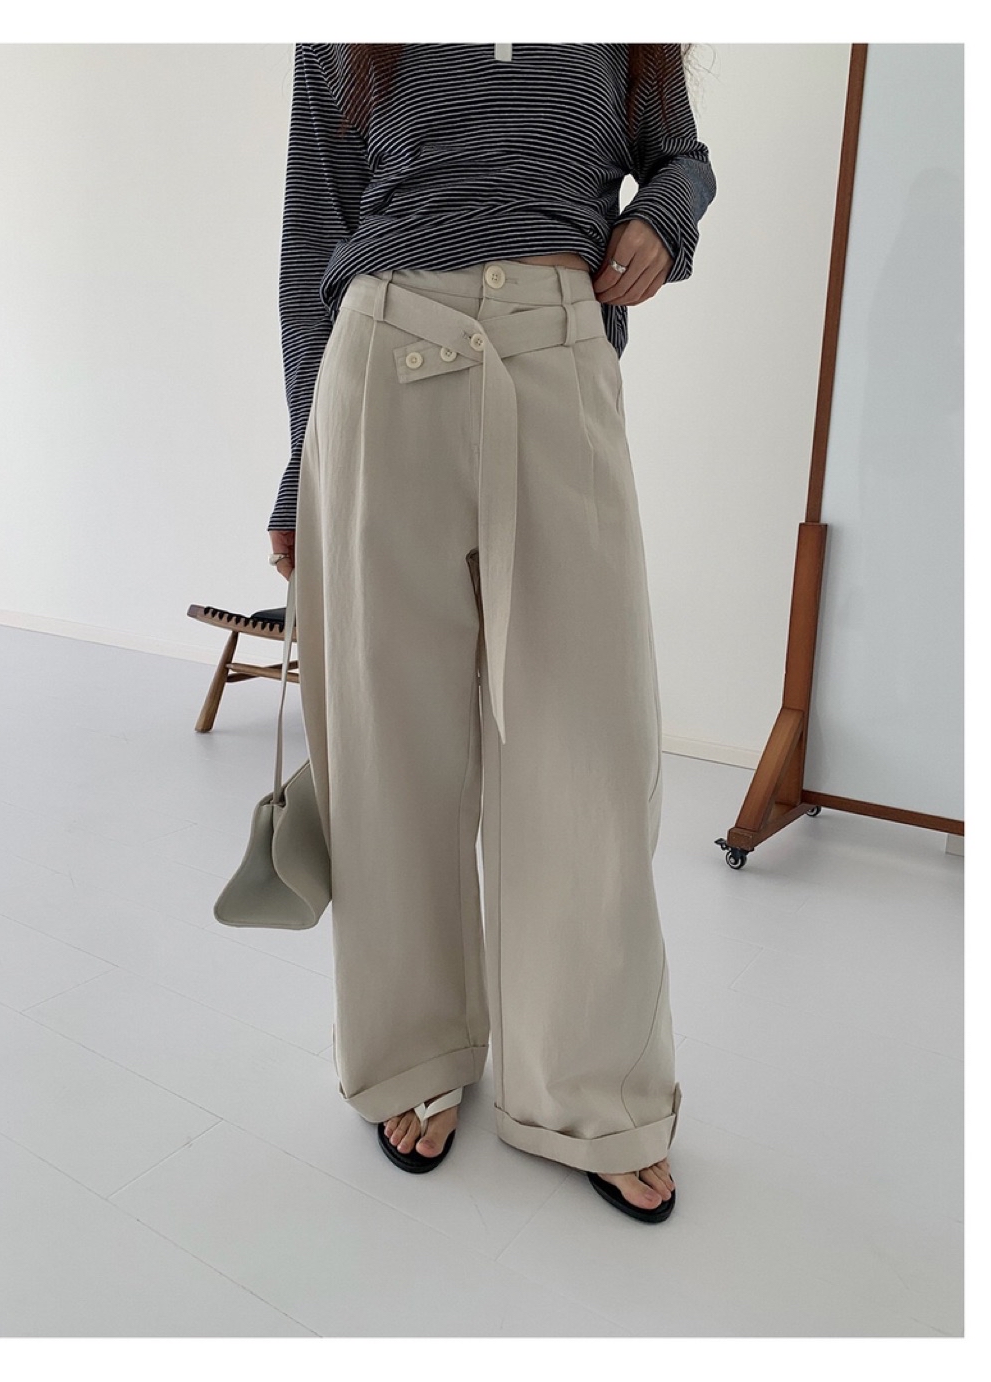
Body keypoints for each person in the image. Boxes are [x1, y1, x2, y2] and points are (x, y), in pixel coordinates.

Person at [266, 42, 715, 1222]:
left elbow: (680, 158)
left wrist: (662, 219)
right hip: (381, 356)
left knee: (586, 752)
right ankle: (414, 1048)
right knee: (391, 749)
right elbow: (314, 238)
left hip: (558, 353)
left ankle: (591, 1088)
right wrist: (295, 471)